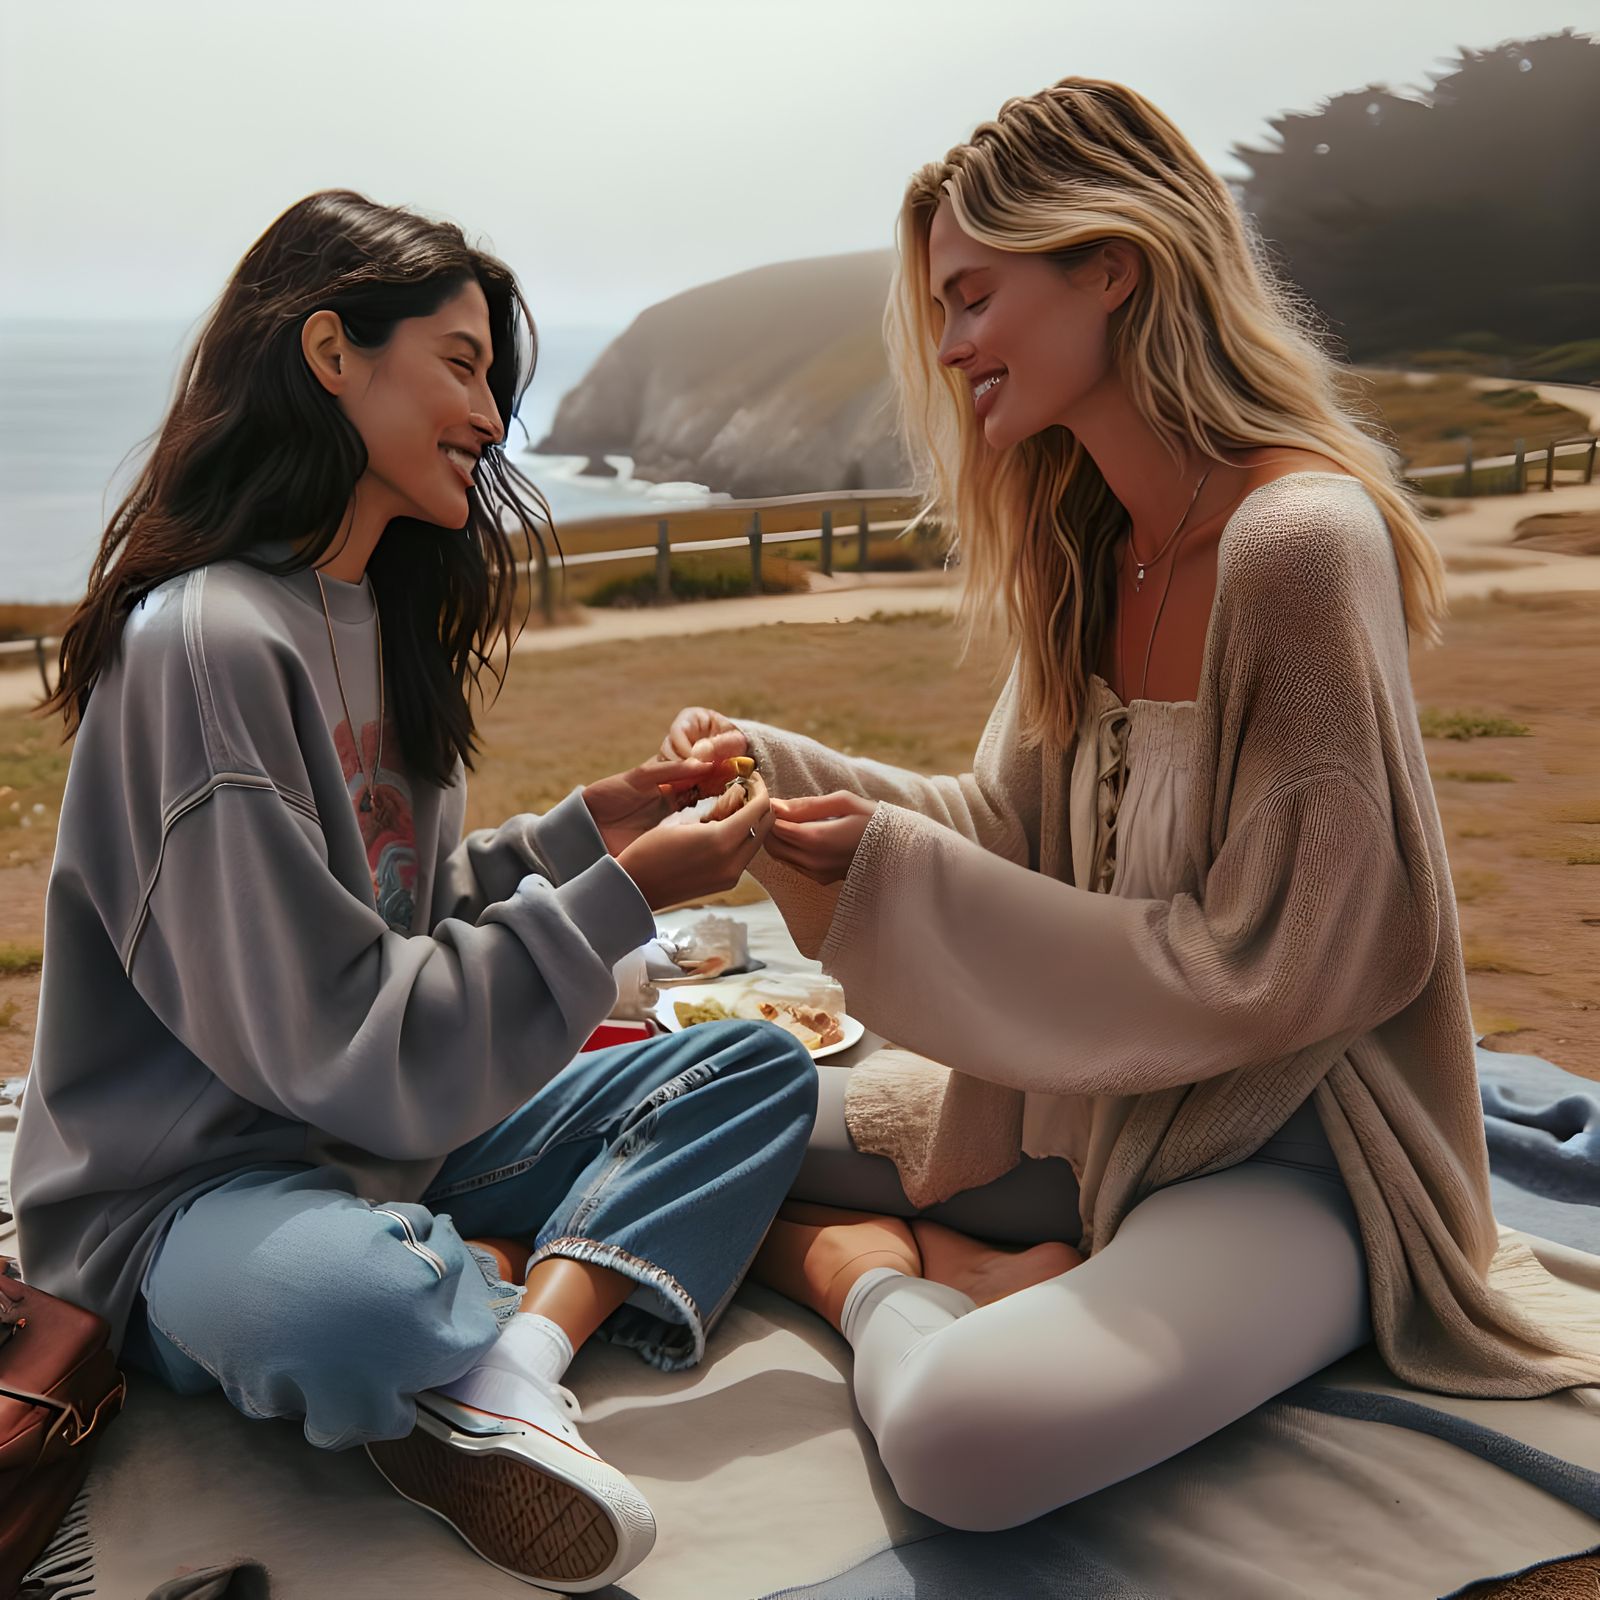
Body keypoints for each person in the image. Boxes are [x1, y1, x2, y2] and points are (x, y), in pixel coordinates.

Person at [662, 77, 1600, 1534]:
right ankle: (953, 1255)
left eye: (975, 297)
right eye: (941, 310)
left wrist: (895, 873)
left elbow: (1288, 959)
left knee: (964, 1440)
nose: (954, 344)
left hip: (1294, 1152)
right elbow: (1008, 832)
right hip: (1098, 1110)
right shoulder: (1096, 546)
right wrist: (776, 775)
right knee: (666, 1112)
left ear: (1111, 262)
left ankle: (865, 1268)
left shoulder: (1297, 545)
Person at [11, 189, 818, 1594]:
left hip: (381, 1143)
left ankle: (513, 1348)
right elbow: (331, 1033)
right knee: (366, 1306)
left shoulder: (375, 619)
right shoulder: (204, 643)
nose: (494, 420)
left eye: (497, 384)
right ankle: (461, 1303)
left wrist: (593, 833)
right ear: (332, 352)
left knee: (749, 1069)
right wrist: (619, 899)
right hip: (185, 1201)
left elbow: (408, 915)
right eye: (461, 365)